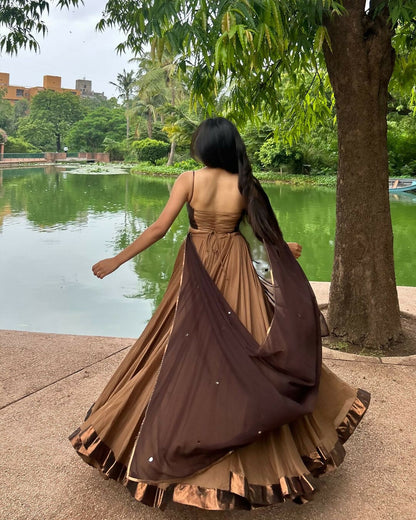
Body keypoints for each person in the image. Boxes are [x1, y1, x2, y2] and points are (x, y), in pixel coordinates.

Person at [70, 117, 370, 511]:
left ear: (203, 147)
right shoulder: (245, 182)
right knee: (247, 343)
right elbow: (264, 233)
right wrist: (284, 248)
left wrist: (117, 259)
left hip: (196, 266)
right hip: (234, 264)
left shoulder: (188, 179)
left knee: (175, 342)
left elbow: (160, 228)